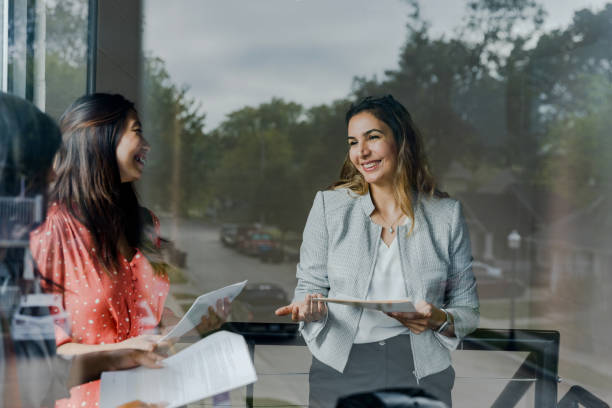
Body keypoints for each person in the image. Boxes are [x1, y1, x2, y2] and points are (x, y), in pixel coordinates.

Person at [275, 95, 479, 407]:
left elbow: (468, 312)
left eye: (373, 137)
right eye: (353, 142)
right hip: (340, 367)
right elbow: (309, 287)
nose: (362, 152)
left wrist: (437, 318)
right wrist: (307, 309)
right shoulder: (329, 207)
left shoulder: (446, 216)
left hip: (420, 371)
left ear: (401, 141)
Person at [29, 93, 227, 408]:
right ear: (98, 138)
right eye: (136, 131)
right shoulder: (50, 229)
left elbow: (148, 320)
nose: (146, 145)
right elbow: (43, 355)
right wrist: (121, 353)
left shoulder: (146, 224)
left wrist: (191, 324)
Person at [0, 92, 166, 408]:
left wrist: (123, 355)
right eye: (37, 170)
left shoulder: (14, 264)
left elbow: (40, 372)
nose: (53, 176)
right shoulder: (50, 230)